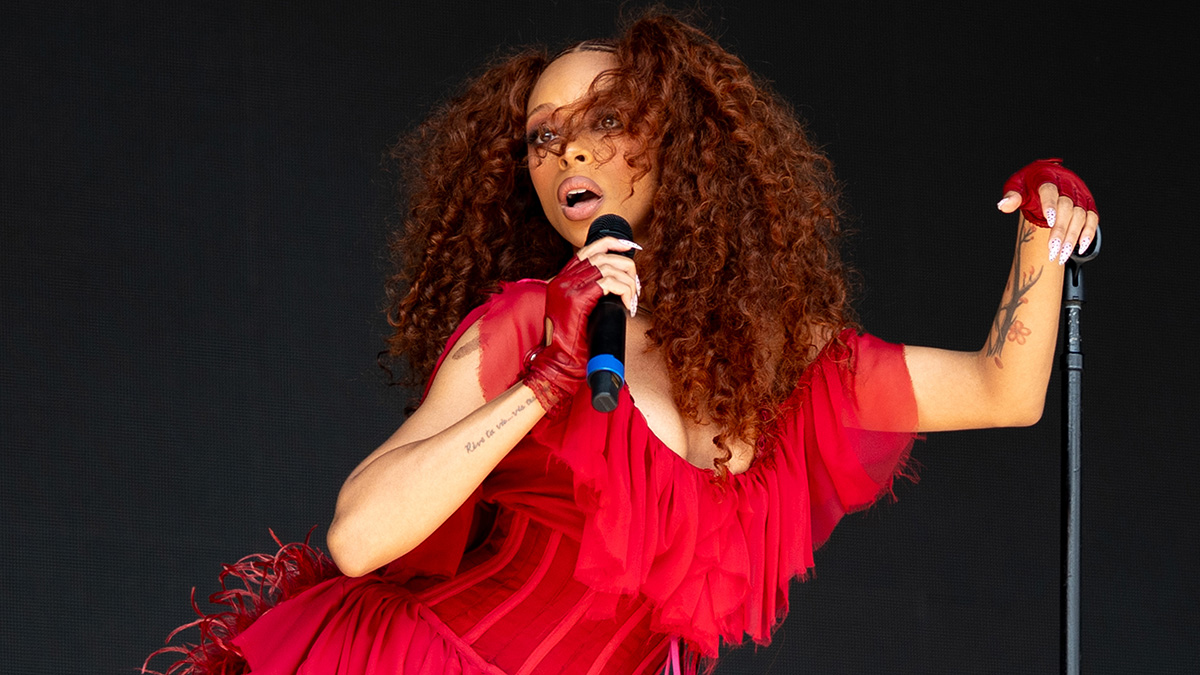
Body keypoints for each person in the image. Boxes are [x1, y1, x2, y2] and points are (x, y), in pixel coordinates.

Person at [146, 12, 1098, 675]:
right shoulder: (528, 321)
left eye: (604, 121)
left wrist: (1041, 234)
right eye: (542, 139)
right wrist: (549, 380)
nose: (569, 154)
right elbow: (357, 536)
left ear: (679, 138)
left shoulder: (790, 366)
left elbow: (1002, 388)